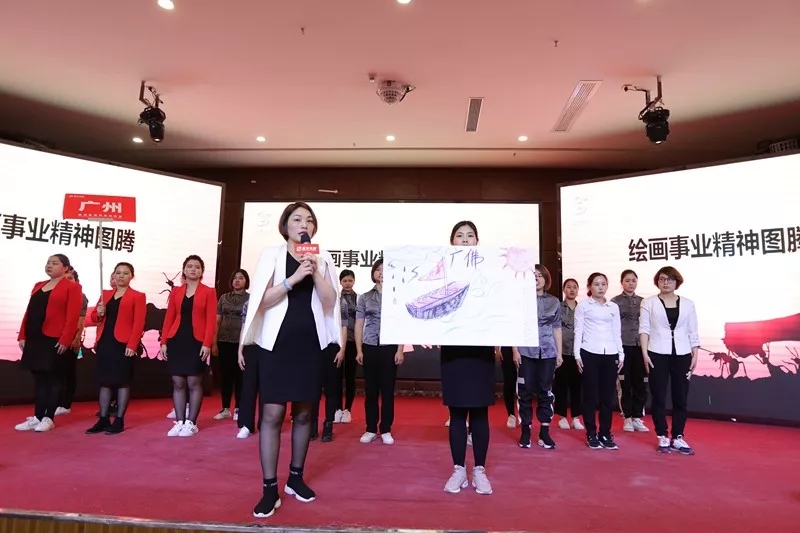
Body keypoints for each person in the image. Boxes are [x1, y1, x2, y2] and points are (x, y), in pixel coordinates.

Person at [239, 201, 341, 519]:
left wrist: (314, 271)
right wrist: (293, 278)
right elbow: (261, 301)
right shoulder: (271, 254)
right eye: (296, 219)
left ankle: (296, 477)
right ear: (285, 225)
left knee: (305, 413)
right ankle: (270, 488)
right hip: (276, 344)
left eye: (308, 220)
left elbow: (330, 301)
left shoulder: (322, 258)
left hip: (309, 343)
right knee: (272, 414)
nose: (303, 224)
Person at [440, 221, 495, 495]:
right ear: (452, 241)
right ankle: (459, 469)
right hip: (454, 349)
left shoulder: (491, 271)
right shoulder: (442, 272)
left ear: (477, 241)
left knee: (481, 412)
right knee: (457, 413)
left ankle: (480, 470)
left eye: (470, 235)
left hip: (481, 348)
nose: (464, 240)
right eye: (459, 236)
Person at [14, 254, 82, 432]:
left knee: (53, 378)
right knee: (39, 378)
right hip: (35, 337)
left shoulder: (72, 287)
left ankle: (48, 417)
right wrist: (22, 334)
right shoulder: (39, 285)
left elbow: (72, 317)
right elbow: (29, 312)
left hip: (54, 338)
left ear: (66, 268)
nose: (49, 265)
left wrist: (66, 339)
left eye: (54, 263)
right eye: (48, 262)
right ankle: (37, 416)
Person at [639, 266, 699, 455]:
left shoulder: (688, 304)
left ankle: (678, 436)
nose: (665, 283)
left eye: (670, 279)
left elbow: (692, 330)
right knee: (658, 395)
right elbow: (644, 329)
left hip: (682, 354)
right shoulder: (648, 303)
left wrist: (695, 353)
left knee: (680, 396)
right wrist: (645, 353)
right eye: (662, 279)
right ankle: (662, 435)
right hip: (657, 352)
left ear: (676, 282)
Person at [85, 262, 146, 434]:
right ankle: (103, 419)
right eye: (118, 273)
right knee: (104, 382)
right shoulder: (105, 294)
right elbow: (95, 318)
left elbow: (138, 323)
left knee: (122, 381)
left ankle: (119, 420)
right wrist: (99, 312)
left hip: (124, 344)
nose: (121, 276)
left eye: (125, 273)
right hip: (105, 342)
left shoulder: (138, 296)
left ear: (131, 276)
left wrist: (132, 344)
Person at [161, 255, 217, 437]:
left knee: (194, 381)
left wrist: (207, 343)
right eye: (190, 266)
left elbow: (211, 320)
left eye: (197, 267)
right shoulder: (176, 291)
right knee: (178, 381)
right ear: (184, 270)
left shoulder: (209, 292)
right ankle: (179, 421)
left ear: (202, 271)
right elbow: (169, 317)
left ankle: (191, 422)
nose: (193, 269)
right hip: (177, 339)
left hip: (197, 341)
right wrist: (163, 341)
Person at [512, 264, 562, 450]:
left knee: (545, 391)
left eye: (540, 276)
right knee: (524, 392)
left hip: (548, 352)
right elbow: (515, 326)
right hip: (526, 351)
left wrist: (559, 353)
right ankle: (525, 429)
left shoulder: (554, 301)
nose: (537, 278)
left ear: (546, 279)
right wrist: (515, 350)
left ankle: (544, 431)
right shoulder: (521, 300)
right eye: (533, 275)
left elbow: (557, 328)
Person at [355, 259, 404, 445]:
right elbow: (359, 324)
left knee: (387, 391)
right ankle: (370, 429)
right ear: (373, 273)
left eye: (385, 269)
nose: (381, 272)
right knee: (371, 391)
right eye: (378, 269)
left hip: (389, 347)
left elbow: (401, 324)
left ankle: (386, 429)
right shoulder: (365, 297)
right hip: (369, 346)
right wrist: (359, 349)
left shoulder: (396, 297)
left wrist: (400, 349)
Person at [573, 272, 624, 450]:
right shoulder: (583, 306)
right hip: (589, 352)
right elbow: (578, 331)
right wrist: (577, 354)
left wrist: (621, 353)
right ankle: (591, 433)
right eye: (596, 284)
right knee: (590, 395)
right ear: (589, 287)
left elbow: (617, 332)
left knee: (607, 396)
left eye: (603, 284)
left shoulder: (613, 307)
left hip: (610, 353)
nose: (600, 287)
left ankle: (605, 433)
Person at [611, 270, 649, 433]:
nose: (631, 283)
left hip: (641, 346)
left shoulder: (644, 302)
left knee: (640, 383)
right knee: (624, 384)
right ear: (622, 283)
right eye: (627, 280)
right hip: (623, 346)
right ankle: (627, 417)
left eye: (633, 280)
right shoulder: (615, 302)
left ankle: (637, 417)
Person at [212, 269, 250, 422]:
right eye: (235, 278)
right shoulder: (223, 298)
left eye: (241, 278)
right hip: (224, 341)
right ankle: (225, 408)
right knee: (225, 376)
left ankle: (239, 408)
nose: (237, 280)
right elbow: (217, 321)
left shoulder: (250, 299)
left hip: (242, 343)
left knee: (240, 377)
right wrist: (214, 342)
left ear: (246, 281)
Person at [56, 267, 89, 416]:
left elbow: (80, 321)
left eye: (70, 278)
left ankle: (65, 404)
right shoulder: (55, 294)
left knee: (68, 371)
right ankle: (54, 403)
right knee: (55, 372)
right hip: (55, 337)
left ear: (77, 281)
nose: (67, 282)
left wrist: (76, 339)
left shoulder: (80, 297)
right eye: (64, 279)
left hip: (71, 339)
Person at [553, 278, 584, 430]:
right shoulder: (558, 307)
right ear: (564, 290)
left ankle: (576, 417)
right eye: (569, 287)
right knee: (561, 385)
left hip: (578, 353)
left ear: (578, 290)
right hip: (562, 352)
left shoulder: (582, 308)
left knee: (577, 386)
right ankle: (562, 416)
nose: (572, 290)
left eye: (574, 287)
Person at [337, 269, 358, 423]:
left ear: (354, 281)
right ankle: (337, 409)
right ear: (340, 282)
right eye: (345, 281)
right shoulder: (336, 298)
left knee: (350, 376)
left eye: (350, 280)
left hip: (353, 341)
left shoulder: (360, 298)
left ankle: (348, 409)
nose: (348, 283)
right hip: (338, 341)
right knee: (337, 376)